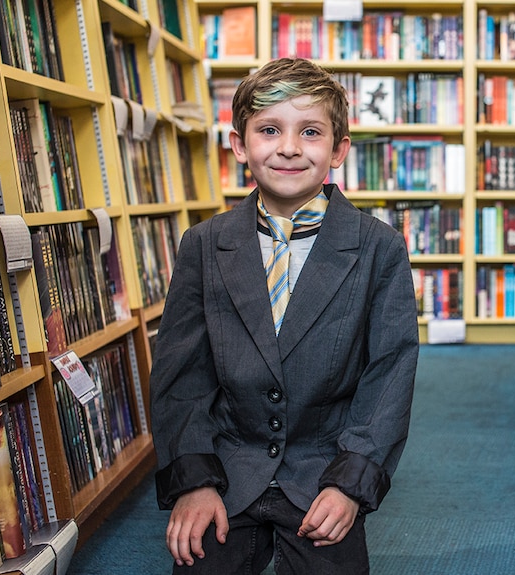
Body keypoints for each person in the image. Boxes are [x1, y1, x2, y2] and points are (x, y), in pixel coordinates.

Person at [149, 57, 420, 574]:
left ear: (339, 149)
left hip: (322, 467)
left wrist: (349, 485)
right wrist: (195, 481)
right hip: (230, 464)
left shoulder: (379, 248)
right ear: (239, 144)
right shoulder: (204, 245)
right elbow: (181, 375)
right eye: (269, 130)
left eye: (311, 132)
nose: (290, 147)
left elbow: (389, 374)